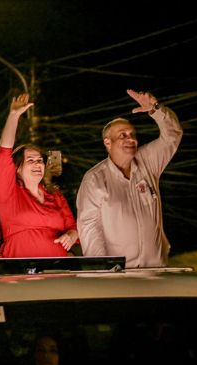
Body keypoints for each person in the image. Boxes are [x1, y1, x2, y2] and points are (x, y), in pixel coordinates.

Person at [76, 89, 183, 267]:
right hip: (120, 275)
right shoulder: (94, 179)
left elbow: (173, 136)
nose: (130, 139)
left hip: (156, 269)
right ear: (108, 143)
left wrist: (156, 109)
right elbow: (89, 227)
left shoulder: (148, 161)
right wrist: (104, 268)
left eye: (133, 135)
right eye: (123, 136)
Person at [0, 94, 78, 257]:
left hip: (57, 268)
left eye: (40, 160)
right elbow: (3, 155)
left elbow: (73, 228)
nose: (37, 164)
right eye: (30, 160)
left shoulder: (55, 195)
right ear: (17, 168)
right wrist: (14, 116)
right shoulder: (9, 193)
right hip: (19, 268)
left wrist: (72, 235)